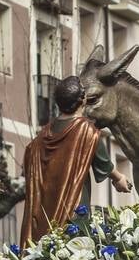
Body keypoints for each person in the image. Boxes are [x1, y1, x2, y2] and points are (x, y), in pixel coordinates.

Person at [20, 75, 128, 246]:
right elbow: (103, 163)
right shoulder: (86, 130)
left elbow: (28, 164)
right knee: (76, 254)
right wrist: (119, 178)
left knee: (48, 254)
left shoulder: (42, 135)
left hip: (43, 214)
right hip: (74, 208)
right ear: (82, 99)